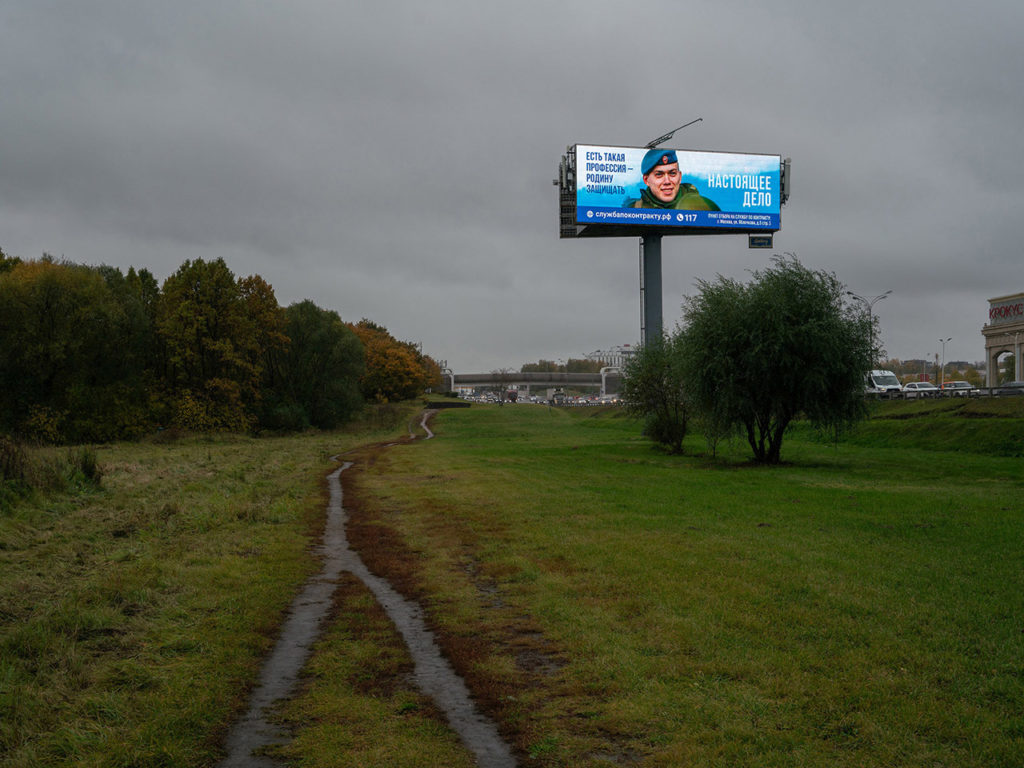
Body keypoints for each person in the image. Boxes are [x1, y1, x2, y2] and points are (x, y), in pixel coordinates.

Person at [622, 149, 720, 210]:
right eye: (659, 175)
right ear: (646, 180)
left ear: (680, 177)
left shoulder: (700, 206)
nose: (667, 181)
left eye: (672, 173)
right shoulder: (633, 209)